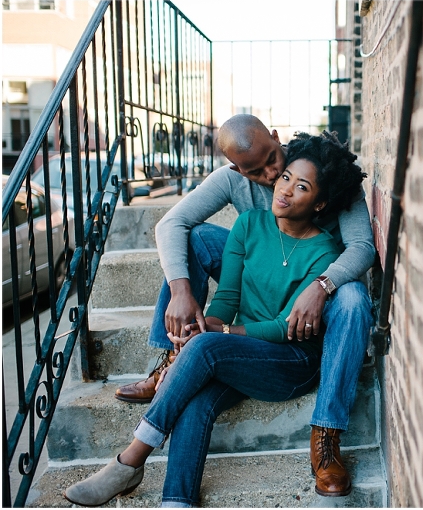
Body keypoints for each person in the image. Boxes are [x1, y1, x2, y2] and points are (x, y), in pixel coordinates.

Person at [64, 131, 368, 507]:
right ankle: (176, 500)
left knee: (207, 346)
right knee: (195, 397)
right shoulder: (250, 225)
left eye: (295, 182)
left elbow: (281, 327)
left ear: (320, 203)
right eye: (281, 176)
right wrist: (203, 320)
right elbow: (226, 295)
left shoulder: (325, 249)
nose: (279, 182)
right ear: (237, 170)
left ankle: (131, 459)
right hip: (246, 349)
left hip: (293, 357)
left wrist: (220, 331)